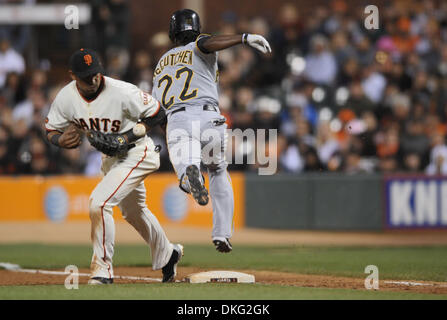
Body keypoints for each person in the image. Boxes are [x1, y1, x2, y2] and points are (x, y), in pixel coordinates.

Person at [45, 48, 183, 284]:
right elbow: (50, 129)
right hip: (111, 160)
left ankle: (102, 270)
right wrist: (59, 140)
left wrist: (127, 137)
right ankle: (168, 254)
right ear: (72, 75)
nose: (93, 79)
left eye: (96, 73)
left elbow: (159, 113)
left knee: (99, 203)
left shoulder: (122, 91)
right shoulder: (66, 97)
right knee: (133, 212)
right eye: (86, 76)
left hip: (138, 152)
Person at [151, 9, 271, 253]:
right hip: (209, 118)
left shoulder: (161, 65)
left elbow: (156, 110)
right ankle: (222, 235)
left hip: (177, 119)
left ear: (173, 32)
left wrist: (166, 130)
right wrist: (244, 38)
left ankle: (189, 174)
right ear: (196, 29)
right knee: (218, 169)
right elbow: (208, 43)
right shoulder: (199, 44)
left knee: (185, 169)